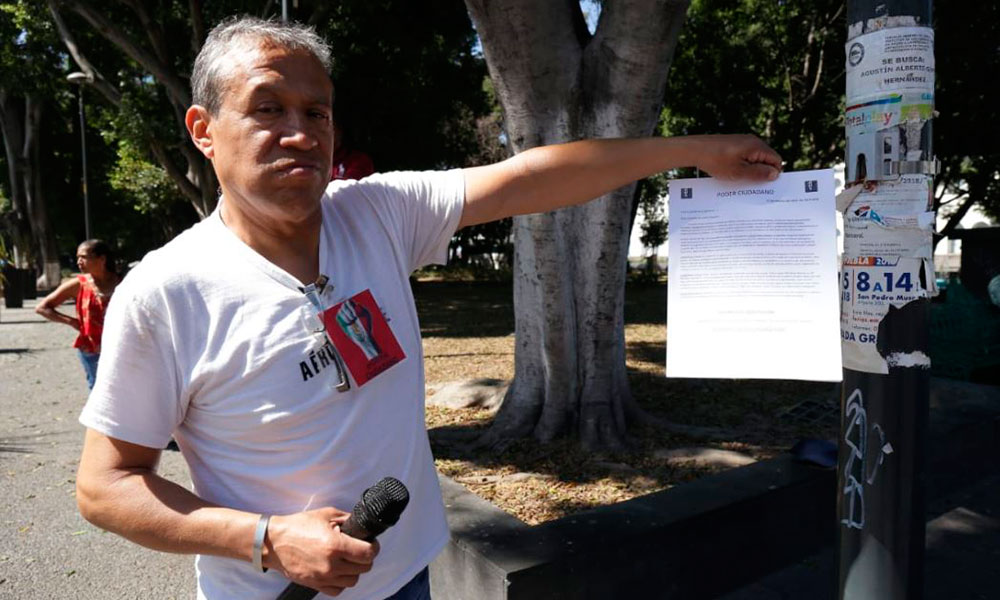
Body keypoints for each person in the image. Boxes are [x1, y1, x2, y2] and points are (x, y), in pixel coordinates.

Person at [74, 16, 782, 600]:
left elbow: (528, 176)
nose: (301, 132)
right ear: (204, 129)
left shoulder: (376, 214)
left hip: (409, 574)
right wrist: (266, 539)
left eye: (316, 111)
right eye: (267, 108)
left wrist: (695, 150)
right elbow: (105, 486)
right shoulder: (167, 292)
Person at [36, 239, 121, 389]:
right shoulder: (78, 284)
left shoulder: (124, 282)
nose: (79, 262)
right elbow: (43, 307)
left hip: (122, 347)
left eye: (83, 257)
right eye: (77, 258)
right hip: (92, 348)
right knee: (98, 389)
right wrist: (72, 322)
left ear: (102, 259)